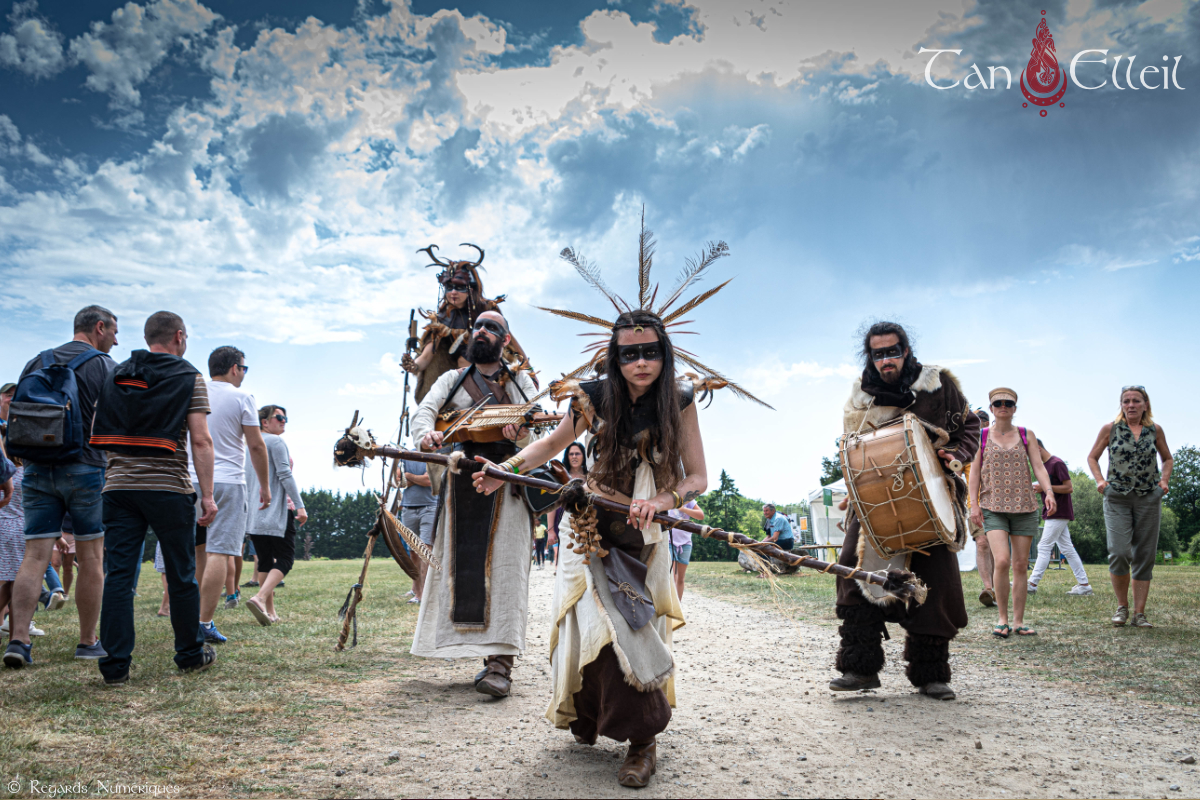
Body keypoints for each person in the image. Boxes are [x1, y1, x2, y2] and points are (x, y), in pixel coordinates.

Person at [473, 226, 766, 788]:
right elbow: (551, 446)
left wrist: (663, 498)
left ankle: (643, 739)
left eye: (649, 353)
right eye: (629, 354)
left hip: (646, 536)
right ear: (614, 356)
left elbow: (698, 477)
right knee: (589, 622)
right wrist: (506, 470)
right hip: (588, 528)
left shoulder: (679, 402)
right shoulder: (593, 397)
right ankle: (594, 716)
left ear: (664, 354)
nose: (640, 363)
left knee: (632, 626)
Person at [831, 321, 979, 701]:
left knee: (936, 584)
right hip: (876, 502)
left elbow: (971, 425)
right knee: (855, 575)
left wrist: (954, 457)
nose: (887, 359)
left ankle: (932, 676)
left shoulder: (937, 384)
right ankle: (859, 668)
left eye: (893, 351)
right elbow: (854, 450)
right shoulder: (860, 397)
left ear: (906, 351)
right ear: (871, 357)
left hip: (934, 499)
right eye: (878, 353)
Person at [410, 309, 539, 697]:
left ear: (506, 339)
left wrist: (520, 437)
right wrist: (425, 437)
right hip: (461, 478)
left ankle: (500, 664)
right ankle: (470, 648)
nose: (482, 331)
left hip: (510, 482)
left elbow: (544, 432)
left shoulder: (521, 383)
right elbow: (425, 412)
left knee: (506, 568)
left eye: (493, 328)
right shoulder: (452, 379)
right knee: (459, 567)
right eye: (478, 326)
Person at [89, 311, 218, 683]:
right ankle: (190, 654)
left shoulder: (116, 373)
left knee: (118, 577)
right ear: (179, 336)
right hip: (167, 487)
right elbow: (201, 439)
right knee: (181, 575)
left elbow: (99, 427)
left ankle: (114, 666)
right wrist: (207, 496)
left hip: (118, 488)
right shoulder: (188, 376)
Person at [3, 305, 117, 668]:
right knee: (91, 557)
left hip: (37, 468)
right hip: (86, 467)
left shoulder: (37, 361)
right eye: (114, 332)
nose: (115, 340)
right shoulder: (103, 365)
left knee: (34, 556)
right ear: (99, 328)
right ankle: (87, 641)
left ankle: (18, 640)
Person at [189, 346, 269, 645]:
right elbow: (256, 445)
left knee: (198, 551)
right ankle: (204, 622)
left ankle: (190, 618)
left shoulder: (193, 391)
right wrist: (264, 485)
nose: (244, 375)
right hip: (227, 481)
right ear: (235, 368)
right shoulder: (242, 397)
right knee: (219, 552)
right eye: (244, 369)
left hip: (190, 478)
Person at [968, 387, 1057, 639]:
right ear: (992, 408)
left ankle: (1018, 622)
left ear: (1015, 408)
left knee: (1020, 565)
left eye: (1008, 403)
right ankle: (1002, 619)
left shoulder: (1026, 435)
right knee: (1003, 560)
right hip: (992, 506)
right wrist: (974, 504)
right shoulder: (982, 436)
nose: (1003, 406)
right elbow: (974, 473)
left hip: (1024, 506)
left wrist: (1048, 491)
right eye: (998, 403)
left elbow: (1038, 467)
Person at [1086, 386, 1172, 628]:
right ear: (1121, 405)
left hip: (1148, 497)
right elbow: (1092, 456)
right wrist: (1100, 481)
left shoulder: (1155, 430)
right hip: (1117, 498)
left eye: (1136, 401)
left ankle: (1139, 613)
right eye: (1126, 401)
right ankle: (1121, 607)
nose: (1131, 405)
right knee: (1119, 551)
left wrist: (1163, 481)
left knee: (1145, 555)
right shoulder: (1110, 429)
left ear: (1145, 404)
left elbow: (1167, 458)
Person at [403, 245, 535, 403]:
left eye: (459, 288)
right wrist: (413, 365)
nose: (453, 293)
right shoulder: (442, 319)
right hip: (457, 381)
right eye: (449, 287)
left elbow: (509, 340)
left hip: (490, 374)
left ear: (470, 289)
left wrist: (527, 368)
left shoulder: (487, 310)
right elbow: (427, 356)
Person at [243, 405, 306, 626]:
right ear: (264, 422)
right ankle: (259, 598)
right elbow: (284, 474)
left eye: (285, 417)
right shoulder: (276, 442)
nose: (283, 421)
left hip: (253, 513)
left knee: (265, 562)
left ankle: (269, 611)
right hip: (277, 511)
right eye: (278, 417)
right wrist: (299, 505)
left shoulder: (248, 445)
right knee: (286, 559)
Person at [1028, 438, 1092, 596]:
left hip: (1059, 511)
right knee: (1067, 549)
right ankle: (1084, 585)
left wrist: (1044, 487)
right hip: (1052, 512)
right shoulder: (1043, 466)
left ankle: (1032, 584)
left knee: (1043, 547)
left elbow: (1069, 487)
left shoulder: (1056, 463)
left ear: (1038, 448)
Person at [397, 453, 436, 603]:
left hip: (430, 506)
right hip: (408, 507)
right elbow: (398, 482)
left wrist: (408, 476)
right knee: (413, 552)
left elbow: (428, 480)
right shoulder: (405, 455)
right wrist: (413, 478)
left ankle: (423, 595)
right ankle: (416, 589)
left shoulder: (434, 455)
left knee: (425, 550)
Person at [967, 409, 997, 607]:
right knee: (982, 542)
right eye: (974, 421)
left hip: (999, 502)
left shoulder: (998, 443)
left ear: (987, 423)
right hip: (976, 504)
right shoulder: (967, 447)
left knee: (996, 546)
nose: (978, 424)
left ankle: (995, 586)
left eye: (981, 421)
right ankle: (988, 588)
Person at [667, 500, 703, 600]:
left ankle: (678, 606)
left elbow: (701, 515)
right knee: (672, 577)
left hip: (685, 542)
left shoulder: (688, 499)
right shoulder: (666, 497)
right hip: (669, 541)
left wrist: (683, 509)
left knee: (681, 579)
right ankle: (672, 607)